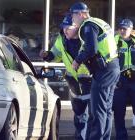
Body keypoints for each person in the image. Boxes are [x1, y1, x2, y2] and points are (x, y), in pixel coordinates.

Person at [70, 2, 120, 140]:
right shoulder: (98, 22)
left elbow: (92, 49)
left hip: (104, 71)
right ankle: (104, 138)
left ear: (80, 14)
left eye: (73, 15)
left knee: (97, 111)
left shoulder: (88, 25)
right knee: (106, 110)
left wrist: (77, 60)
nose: (72, 19)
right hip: (112, 67)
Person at [39, 15, 92, 140]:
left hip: (90, 81)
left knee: (91, 114)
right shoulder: (61, 40)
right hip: (73, 82)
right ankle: (80, 136)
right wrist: (46, 55)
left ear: (78, 28)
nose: (65, 30)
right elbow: (55, 55)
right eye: (64, 28)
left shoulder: (87, 40)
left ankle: (87, 136)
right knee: (78, 112)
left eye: (69, 27)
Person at [113, 18, 135, 140]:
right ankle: (121, 137)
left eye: (124, 28)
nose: (122, 31)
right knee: (119, 112)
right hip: (119, 81)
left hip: (134, 81)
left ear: (131, 30)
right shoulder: (113, 42)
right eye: (120, 28)